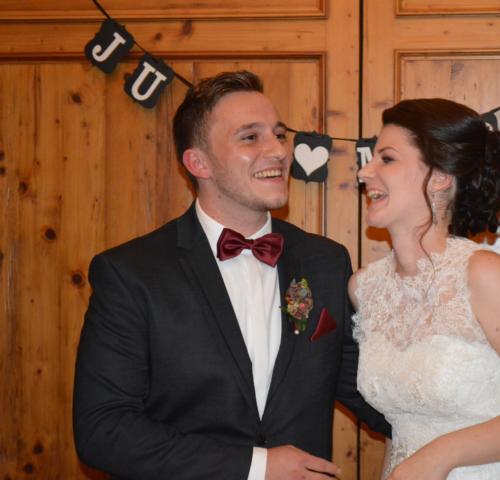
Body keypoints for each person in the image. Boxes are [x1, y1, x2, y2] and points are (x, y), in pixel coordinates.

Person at [72, 70, 391, 480]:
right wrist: (257, 466)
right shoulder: (130, 273)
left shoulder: (326, 261)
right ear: (198, 162)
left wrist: (455, 425)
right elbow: (103, 430)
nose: (278, 150)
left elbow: (366, 388)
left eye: (279, 134)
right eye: (250, 137)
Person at [351, 98, 500, 479]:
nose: (365, 172)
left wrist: (441, 454)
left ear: (441, 177)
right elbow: (401, 426)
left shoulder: (482, 274)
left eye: (387, 159)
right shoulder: (364, 288)